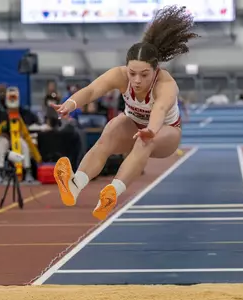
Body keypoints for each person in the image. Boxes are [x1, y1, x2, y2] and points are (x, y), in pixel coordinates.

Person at [51, 5, 198, 220]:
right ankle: (75, 185)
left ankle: (112, 192)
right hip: (133, 124)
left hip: (166, 132)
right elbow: (92, 90)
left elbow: (159, 109)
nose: (137, 80)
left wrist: (151, 129)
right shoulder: (119, 76)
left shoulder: (166, 84)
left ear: (155, 70)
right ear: (126, 68)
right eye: (132, 73)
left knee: (145, 141)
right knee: (111, 129)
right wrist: (69, 105)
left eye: (144, 74)